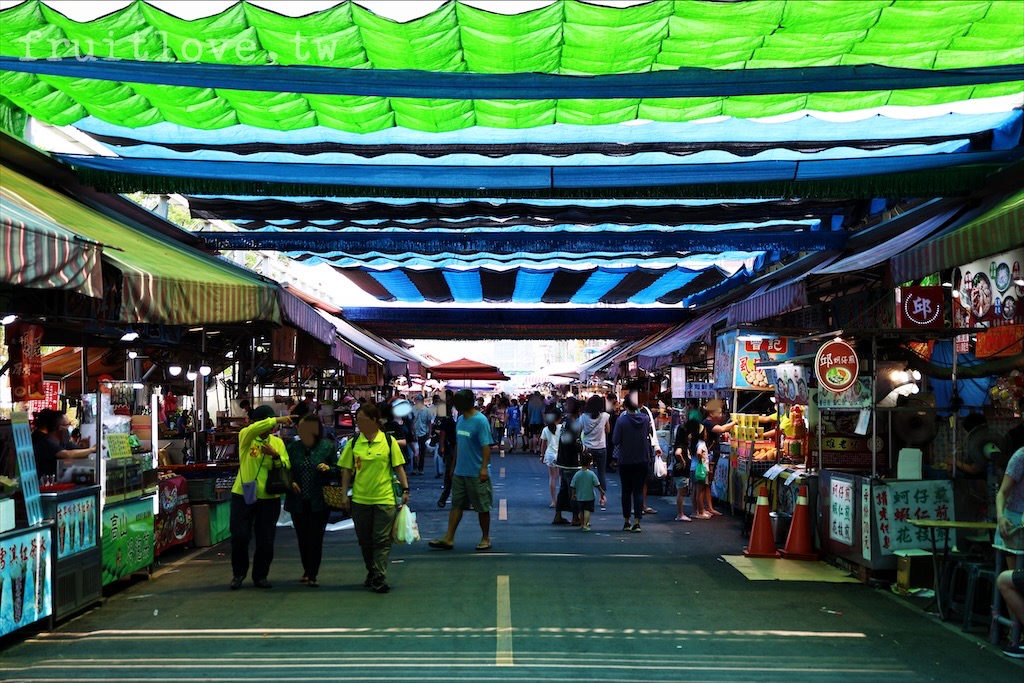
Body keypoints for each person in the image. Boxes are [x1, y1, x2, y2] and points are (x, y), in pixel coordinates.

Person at [339, 403, 409, 594]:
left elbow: (398, 467)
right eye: (358, 420)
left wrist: (405, 489)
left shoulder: (388, 441)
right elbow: (346, 470)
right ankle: (372, 571)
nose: (359, 423)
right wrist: (344, 494)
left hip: (384, 499)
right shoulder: (354, 443)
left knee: (381, 540)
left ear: (375, 420)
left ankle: (379, 576)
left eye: (363, 419)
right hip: (360, 500)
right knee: (365, 540)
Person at [229, 406, 293, 590]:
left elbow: (286, 465)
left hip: (269, 497)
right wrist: (278, 420)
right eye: (268, 421)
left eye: (273, 422)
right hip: (243, 495)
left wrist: (275, 456)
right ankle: (238, 574)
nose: (271, 427)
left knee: (265, 539)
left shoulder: (278, 443)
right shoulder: (246, 437)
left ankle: (261, 575)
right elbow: (254, 428)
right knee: (240, 536)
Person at [429, 390, 493, 551]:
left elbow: (486, 446)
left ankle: (485, 538)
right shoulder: (461, 420)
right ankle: (449, 537)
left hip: (476, 472)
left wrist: (484, 468)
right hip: (460, 472)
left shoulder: (480, 421)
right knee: (456, 505)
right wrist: (453, 465)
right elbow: (458, 444)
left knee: (482, 507)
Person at [284, 414, 338, 588]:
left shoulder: (326, 447)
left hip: (319, 501)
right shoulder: (293, 448)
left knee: (315, 537)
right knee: (302, 537)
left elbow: (339, 470)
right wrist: (290, 482)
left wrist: (329, 468)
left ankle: (313, 573)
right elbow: (286, 470)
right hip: (298, 501)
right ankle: (306, 569)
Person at [612, 393, 651, 533]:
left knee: (626, 491)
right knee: (638, 491)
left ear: (626, 406)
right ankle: (638, 522)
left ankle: (627, 521)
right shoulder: (646, 419)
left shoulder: (621, 421)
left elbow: (615, 440)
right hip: (642, 459)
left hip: (626, 460)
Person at [31, 410, 96, 479]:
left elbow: (79, 454)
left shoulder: (65, 443)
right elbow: (67, 454)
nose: (70, 428)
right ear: (60, 428)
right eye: (68, 425)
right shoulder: (44, 442)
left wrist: (85, 448)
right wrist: (92, 449)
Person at [701, 400, 735, 516]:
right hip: (708, 457)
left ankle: (708, 507)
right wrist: (735, 422)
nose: (721, 415)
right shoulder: (707, 423)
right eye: (719, 413)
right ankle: (703, 508)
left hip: (712, 456)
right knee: (705, 483)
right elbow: (721, 429)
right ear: (711, 413)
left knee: (708, 483)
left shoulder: (710, 422)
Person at [555, 397, 584, 526]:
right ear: (578, 410)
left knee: (563, 488)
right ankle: (575, 517)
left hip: (563, 460)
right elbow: (574, 445)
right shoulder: (573, 425)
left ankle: (558, 515)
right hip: (571, 462)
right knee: (573, 489)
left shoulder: (565, 423)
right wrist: (583, 448)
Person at [579, 395, 611, 510]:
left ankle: (589, 495)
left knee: (588, 473)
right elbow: (608, 430)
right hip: (601, 448)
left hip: (587, 448)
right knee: (601, 473)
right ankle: (602, 497)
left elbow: (579, 431)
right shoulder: (605, 416)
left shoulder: (583, 417)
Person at [571, 452, 605, 532]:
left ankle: (582, 523)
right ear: (590, 463)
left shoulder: (577, 474)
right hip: (590, 496)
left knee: (581, 511)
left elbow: (573, 485)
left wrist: (573, 494)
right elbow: (597, 484)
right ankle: (586, 524)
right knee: (587, 511)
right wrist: (601, 491)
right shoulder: (591, 474)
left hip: (580, 496)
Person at [435, 392, 458, 508]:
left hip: (461, 447)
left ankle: (465, 500)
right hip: (451, 447)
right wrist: (442, 446)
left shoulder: (463, 414)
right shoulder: (447, 411)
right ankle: (444, 497)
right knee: (449, 472)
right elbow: (443, 430)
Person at [540, 405, 563, 510]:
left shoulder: (546, 429)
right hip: (562, 454)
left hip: (550, 454)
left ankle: (553, 501)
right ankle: (563, 499)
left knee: (552, 477)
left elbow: (543, 444)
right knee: (562, 478)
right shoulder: (563, 428)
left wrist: (542, 455)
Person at [672, 420, 694, 522]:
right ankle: (680, 514)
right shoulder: (682, 446)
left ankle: (680, 513)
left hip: (681, 472)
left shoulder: (680, 444)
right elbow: (677, 453)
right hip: (681, 472)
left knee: (681, 492)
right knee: (681, 493)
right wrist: (683, 462)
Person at [690, 421, 712, 519]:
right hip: (701, 470)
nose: (706, 434)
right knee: (700, 491)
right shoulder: (702, 444)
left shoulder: (694, 443)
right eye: (705, 432)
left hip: (693, 469)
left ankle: (695, 511)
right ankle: (701, 511)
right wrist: (702, 459)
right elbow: (699, 453)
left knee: (694, 491)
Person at [412, 396, 433, 476]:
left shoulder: (427, 410)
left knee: (422, 452)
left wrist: (430, 433)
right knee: (414, 452)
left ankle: (420, 468)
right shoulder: (412, 410)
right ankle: (414, 467)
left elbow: (429, 423)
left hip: (423, 433)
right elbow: (411, 422)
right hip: (414, 433)